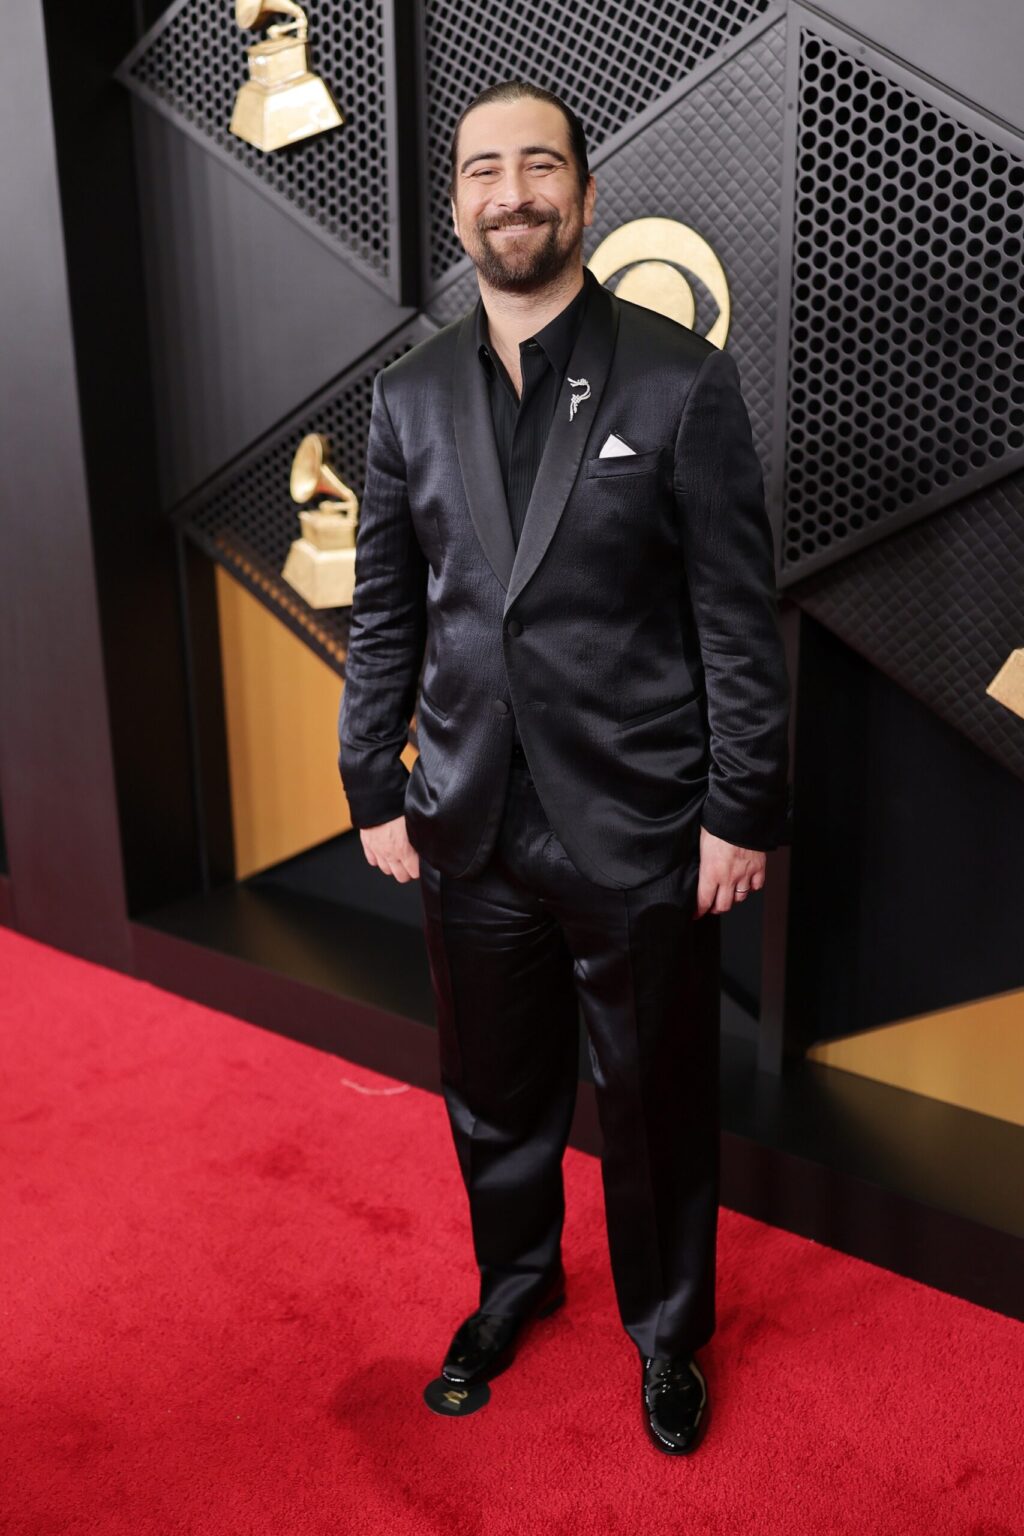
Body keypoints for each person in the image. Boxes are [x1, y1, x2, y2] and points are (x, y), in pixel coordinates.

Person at [337, 78, 791, 1455]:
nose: (511, 192)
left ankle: (668, 1334)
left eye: (539, 166)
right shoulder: (409, 396)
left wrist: (740, 810)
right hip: (466, 814)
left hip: (638, 819)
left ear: (586, 196)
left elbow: (735, 618)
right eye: (484, 170)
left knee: (654, 1100)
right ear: (457, 205)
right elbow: (387, 612)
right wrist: (372, 783)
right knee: (493, 1091)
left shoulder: (679, 379)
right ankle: (515, 1285)